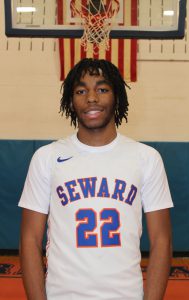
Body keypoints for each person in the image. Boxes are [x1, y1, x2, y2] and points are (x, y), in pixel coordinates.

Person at [19, 58, 173, 300]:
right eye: (81, 91)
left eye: (102, 89)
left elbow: (162, 240)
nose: (91, 98)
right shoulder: (46, 158)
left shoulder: (147, 158)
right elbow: (30, 239)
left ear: (117, 97)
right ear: (70, 101)